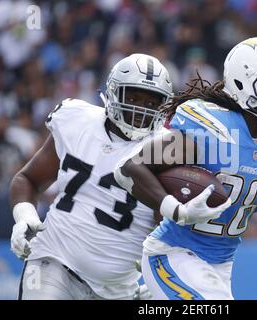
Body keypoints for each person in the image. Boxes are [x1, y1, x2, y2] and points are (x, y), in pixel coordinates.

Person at [114, 37, 257, 300]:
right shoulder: (210, 127)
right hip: (172, 254)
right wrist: (176, 210)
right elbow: (129, 168)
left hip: (221, 267)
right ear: (241, 83)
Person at [9, 53, 173, 300]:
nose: (140, 109)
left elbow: (168, 224)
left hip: (118, 290)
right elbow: (28, 179)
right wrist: (25, 217)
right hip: (53, 263)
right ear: (114, 92)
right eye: (134, 97)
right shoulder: (76, 120)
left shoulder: (168, 149)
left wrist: (161, 259)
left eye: (151, 103)